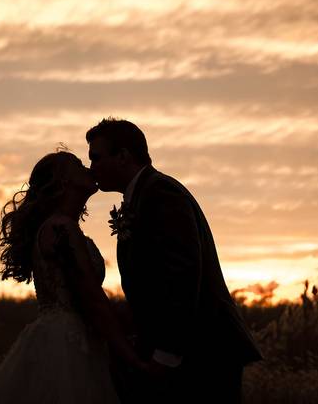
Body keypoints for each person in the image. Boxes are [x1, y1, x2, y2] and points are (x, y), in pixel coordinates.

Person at [87, 118, 262, 403]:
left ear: (123, 156)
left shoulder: (161, 194)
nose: (91, 168)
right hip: (188, 351)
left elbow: (181, 275)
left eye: (96, 158)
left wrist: (165, 354)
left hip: (203, 353)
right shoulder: (144, 195)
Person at [0, 150, 150, 404]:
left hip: (69, 337)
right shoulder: (60, 229)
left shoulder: (59, 228)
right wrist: (130, 356)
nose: (89, 168)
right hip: (66, 347)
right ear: (63, 181)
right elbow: (92, 298)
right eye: (78, 165)